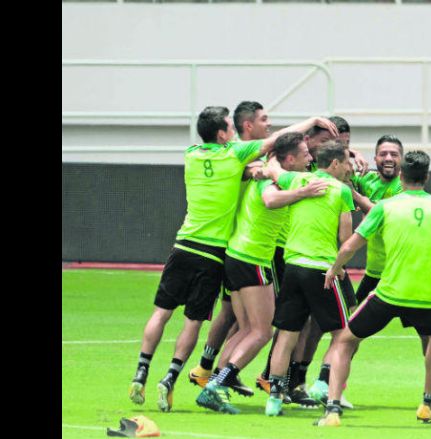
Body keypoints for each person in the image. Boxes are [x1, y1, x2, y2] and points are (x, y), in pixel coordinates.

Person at [127, 105, 338, 412]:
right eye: (305, 153)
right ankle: (202, 380)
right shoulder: (244, 160)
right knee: (253, 330)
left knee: (220, 323)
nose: (310, 158)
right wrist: (296, 182)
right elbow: (274, 159)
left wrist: (260, 170)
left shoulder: (193, 154)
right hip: (232, 254)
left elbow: (268, 154)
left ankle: (153, 371)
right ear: (226, 133)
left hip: (197, 247)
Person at [315, 150, 431, 427]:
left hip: (388, 294)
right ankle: (428, 404)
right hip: (427, 297)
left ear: (402, 176)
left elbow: (350, 245)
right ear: (427, 177)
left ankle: (333, 409)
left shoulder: (385, 207)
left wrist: (334, 268)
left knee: (345, 341)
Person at [195, 132, 328, 414]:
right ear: (289, 159)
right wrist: (303, 192)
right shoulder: (269, 179)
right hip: (251, 259)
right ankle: (218, 384)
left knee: (246, 329)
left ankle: (216, 384)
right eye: (305, 154)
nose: (310, 158)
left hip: (238, 256)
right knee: (262, 331)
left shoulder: (273, 173)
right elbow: (270, 200)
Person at [347, 135, 431, 408]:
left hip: (405, 274)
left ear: (402, 163)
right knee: (351, 331)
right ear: (374, 158)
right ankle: (334, 382)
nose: (388, 158)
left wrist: (356, 196)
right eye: (382, 153)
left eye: (394, 154)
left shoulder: (404, 188)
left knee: (429, 335)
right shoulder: (367, 180)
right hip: (376, 272)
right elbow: (337, 172)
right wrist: (349, 152)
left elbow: (379, 212)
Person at [259, 140, 356, 417]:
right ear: (334, 163)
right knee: (344, 335)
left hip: (292, 267)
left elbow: (273, 169)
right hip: (321, 269)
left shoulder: (297, 179)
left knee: (287, 335)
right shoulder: (341, 191)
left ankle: (274, 398)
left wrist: (262, 168)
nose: (348, 167)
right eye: (346, 161)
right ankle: (326, 387)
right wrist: (338, 267)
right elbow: (346, 239)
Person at [186, 100, 274, 398]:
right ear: (248, 126)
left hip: (242, 246)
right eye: (264, 120)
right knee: (233, 316)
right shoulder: (236, 155)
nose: (269, 125)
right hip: (239, 246)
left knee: (243, 320)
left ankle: (217, 373)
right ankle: (208, 369)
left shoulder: (246, 155)